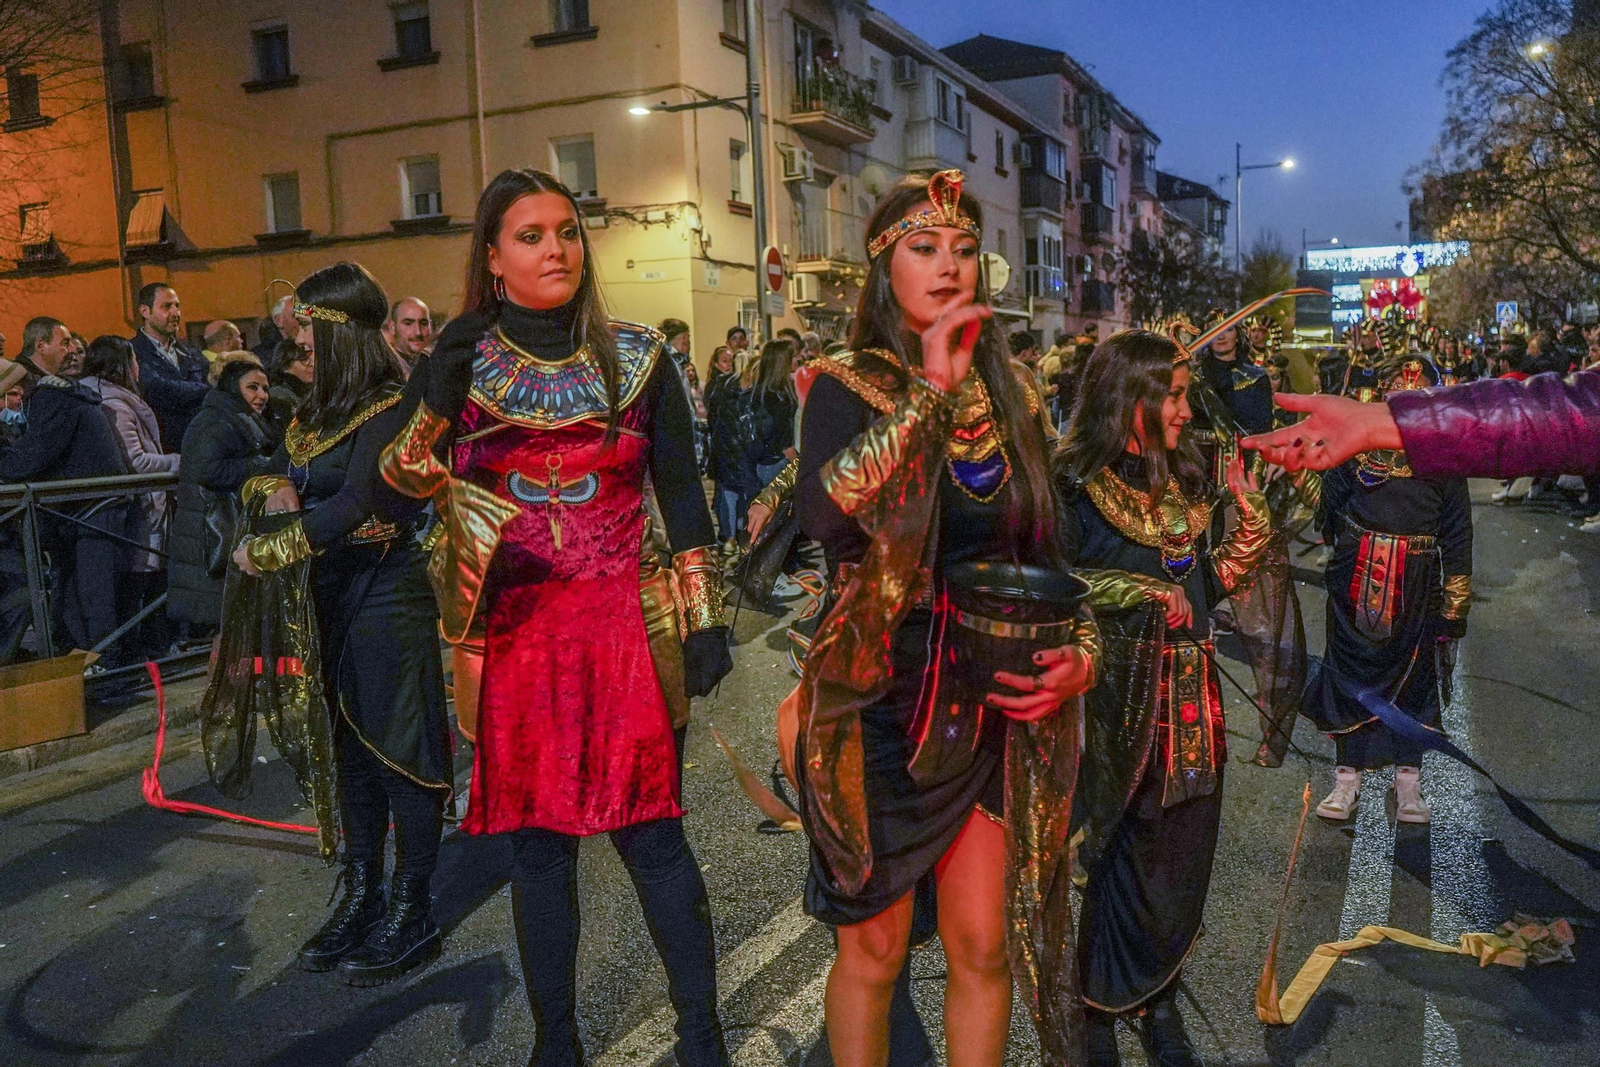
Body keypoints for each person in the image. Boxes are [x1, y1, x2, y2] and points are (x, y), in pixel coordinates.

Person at [379, 168, 733, 1066]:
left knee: (655, 839)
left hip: (627, 632)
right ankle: (556, 1043)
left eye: (568, 231)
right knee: (539, 855)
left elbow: (682, 492)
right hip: (518, 641)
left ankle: (702, 1034)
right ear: (493, 257)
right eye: (531, 235)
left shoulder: (640, 355)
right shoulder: (461, 360)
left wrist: (705, 618)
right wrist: (436, 392)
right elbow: (398, 487)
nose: (556, 249)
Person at [795, 170, 1097, 1066]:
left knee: (982, 944)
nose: (949, 264)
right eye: (924, 248)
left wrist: (1081, 653)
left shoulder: (1019, 397)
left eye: (965, 249)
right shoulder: (843, 384)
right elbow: (828, 517)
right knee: (875, 949)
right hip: (878, 699)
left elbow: (1053, 551)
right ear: (883, 269)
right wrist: (930, 390)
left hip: (991, 692)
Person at [229, 262, 450, 987]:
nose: (300, 352)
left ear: (341, 337)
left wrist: (270, 548)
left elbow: (358, 501)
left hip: (387, 594)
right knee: (350, 750)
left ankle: (413, 904)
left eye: (310, 339)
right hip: (330, 593)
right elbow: (272, 469)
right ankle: (363, 891)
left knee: (399, 751)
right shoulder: (312, 414)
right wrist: (273, 488)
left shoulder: (392, 408)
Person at [1055, 329, 1272, 1067]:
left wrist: (1252, 518)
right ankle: (1096, 1002)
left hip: (1191, 703)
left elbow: (1202, 587)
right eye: (1172, 396)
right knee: (1113, 849)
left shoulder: (1184, 476)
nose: (1184, 410)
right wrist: (1139, 590)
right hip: (1113, 702)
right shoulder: (1073, 482)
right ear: (1131, 398)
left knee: (1180, 850)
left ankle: (1157, 991)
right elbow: (1054, 584)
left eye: (1184, 395)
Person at [1307, 351, 1470, 825]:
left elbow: (1458, 535)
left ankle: (1409, 786)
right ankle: (1346, 780)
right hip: (1354, 579)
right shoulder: (1358, 447)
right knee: (1348, 677)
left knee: (1415, 683)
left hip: (1417, 586)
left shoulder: (1445, 456)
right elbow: (1329, 509)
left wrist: (1454, 608)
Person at [0, 319, 132, 663]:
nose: (72, 349)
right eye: (65, 342)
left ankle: (104, 667)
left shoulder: (51, 396)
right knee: (82, 593)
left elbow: (32, 457)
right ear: (40, 345)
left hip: (87, 509)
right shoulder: (61, 392)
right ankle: (93, 664)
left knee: (90, 596)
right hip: (89, 509)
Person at [80, 336, 181, 659]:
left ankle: (146, 650)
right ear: (122, 364)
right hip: (140, 508)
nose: (139, 367)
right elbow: (135, 460)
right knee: (140, 586)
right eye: (134, 360)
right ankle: (144, 653)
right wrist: (177, 462)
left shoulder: (112, 399)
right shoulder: (115, 405)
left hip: (143, 507)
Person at [166, 358, 275, 632]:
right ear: (232, 387)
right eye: (252, 387)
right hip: (211, 536)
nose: (262, 395)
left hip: (217, 533)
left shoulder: (236, 418)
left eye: (265, 388)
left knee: (232, 628)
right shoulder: (216, 421)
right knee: (226, 628)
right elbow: (208, 470)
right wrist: (261, 465)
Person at [131, 282, 210, 451]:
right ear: (145, 311)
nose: (175, 313)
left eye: (177, 306)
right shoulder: (133, 352)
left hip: (200, 442)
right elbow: (157, 389)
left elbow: (213, 383)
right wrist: (203, 389)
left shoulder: (190, 351)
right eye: (167, 307)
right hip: (163, 447)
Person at [706, 345, 759, 552]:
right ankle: (739, 536)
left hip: (725, 450)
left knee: (729, 496)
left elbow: (713, 417)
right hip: (741, 452)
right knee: (742, 495)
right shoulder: (751, 391)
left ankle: (730, 538)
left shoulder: (721, 386)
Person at [749, 337, 798, 490]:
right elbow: (783, 439)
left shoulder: (763, 392)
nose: (797, 360)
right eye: (793, 356)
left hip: (766, 462)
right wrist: (799, 465)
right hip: (776, 463)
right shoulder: (776, 397)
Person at [267, 337, 314, 431]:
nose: (312, 364)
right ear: (285, 366)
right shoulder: (278, 397)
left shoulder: (313, 391)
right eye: (304, 359)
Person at [388, 296, 434, 366]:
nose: (418, 332)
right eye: (408, 323)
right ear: (392, 327)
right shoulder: (383, 367)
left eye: (423, 323)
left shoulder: (436, 364)